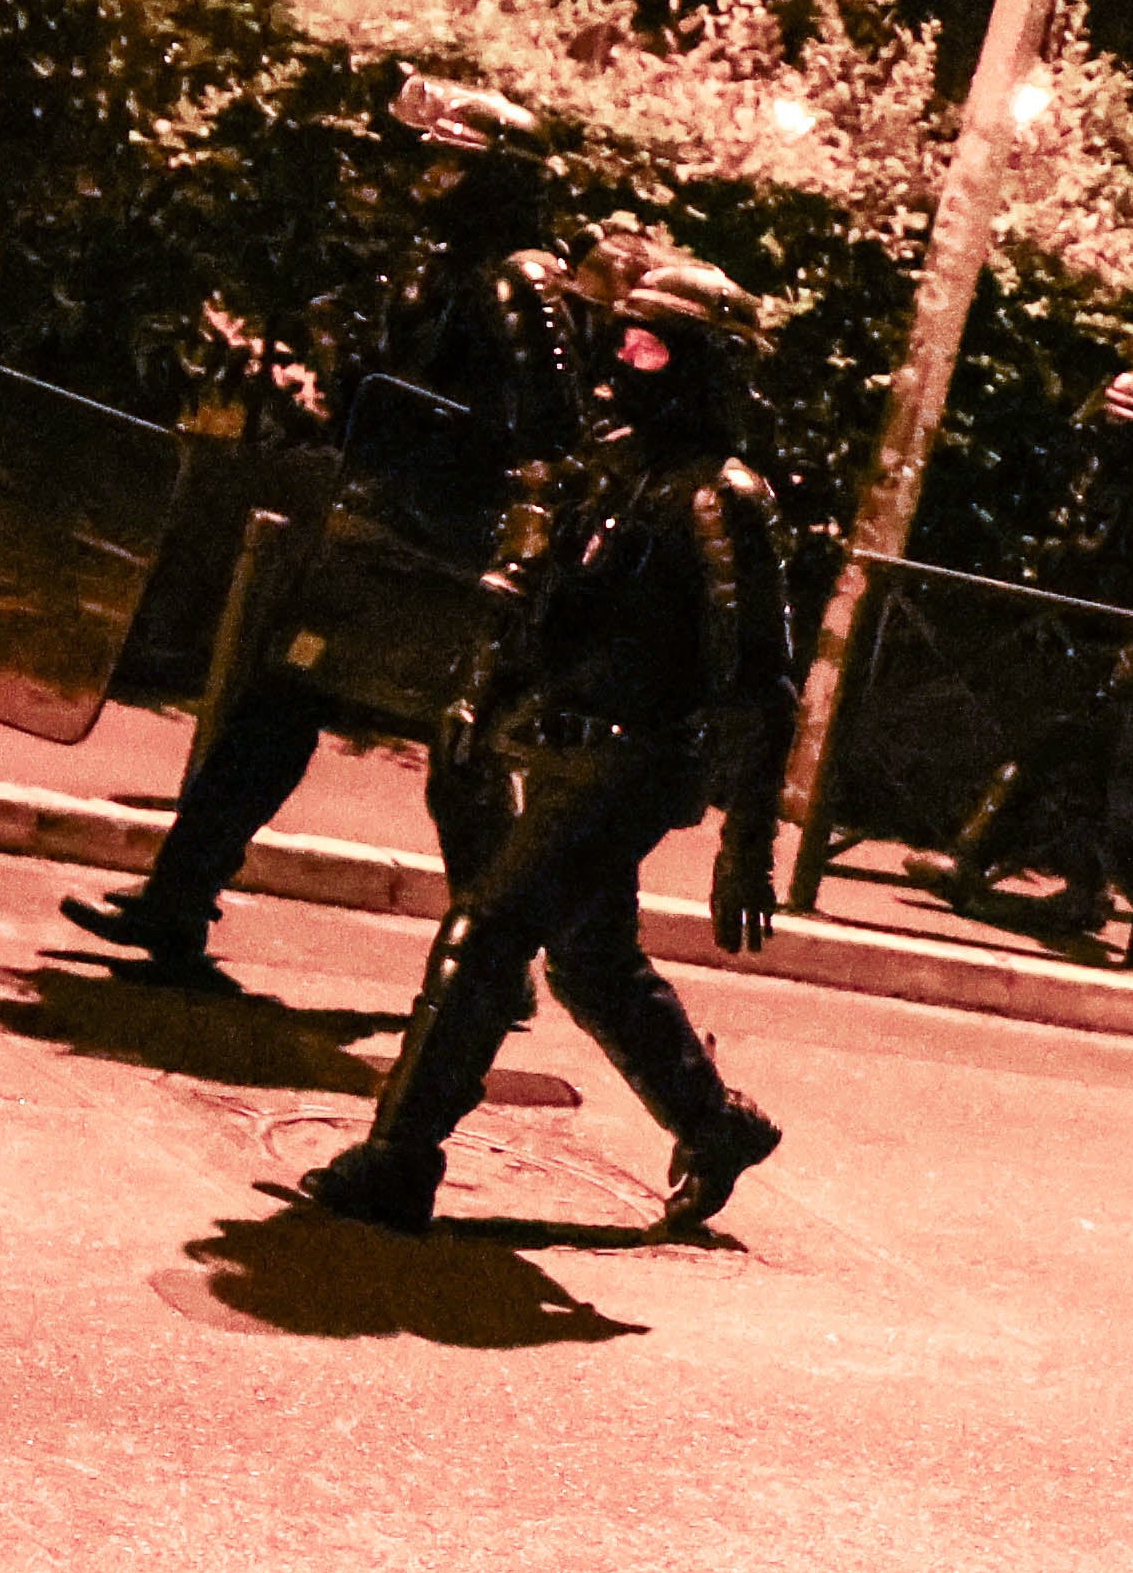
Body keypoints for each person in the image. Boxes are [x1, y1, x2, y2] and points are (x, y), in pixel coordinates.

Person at [284, 259, 800, 1233]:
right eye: (625, 337)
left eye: (650, 345)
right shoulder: (613, 466)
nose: (624, 358)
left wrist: (748, 850)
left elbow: (762, 690)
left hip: (638, 760)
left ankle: (401, 1158)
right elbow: (543, 606)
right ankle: (712, 1123)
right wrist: (487, 700)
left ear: (700, 365)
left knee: (489, 929)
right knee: (591, 958)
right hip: (571, 743)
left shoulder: (722, 499)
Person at [63, 72, 594, 984]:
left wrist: (451, 470)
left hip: (445, 545)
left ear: (497, 180)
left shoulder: (521, 280)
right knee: (286, 704)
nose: (428, 177)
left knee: (455, 750)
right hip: (390, 527)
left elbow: (548, 431)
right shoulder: (456, 266)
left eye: (451, 165)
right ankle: (178, 902)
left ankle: (492, 965)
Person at [936, 364, 1133, 928]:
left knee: (1064, 760)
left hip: (1123, 667)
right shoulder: (1122, 493)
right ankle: (1042, 879)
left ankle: (992, 865)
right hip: (1094, 656)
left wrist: (1131, 669)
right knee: (1067, 772)